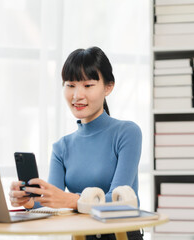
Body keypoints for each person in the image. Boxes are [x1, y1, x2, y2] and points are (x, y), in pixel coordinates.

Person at [9, 46, 143, 240]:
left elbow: (118, 200)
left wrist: (69, 199)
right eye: (70, 85)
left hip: (121, 235)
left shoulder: (127, 133)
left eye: (88, 85)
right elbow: (50, 201)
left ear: (108, 87)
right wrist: (29, 201)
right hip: (80, 236)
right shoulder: (61, 147)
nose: (77, 95)